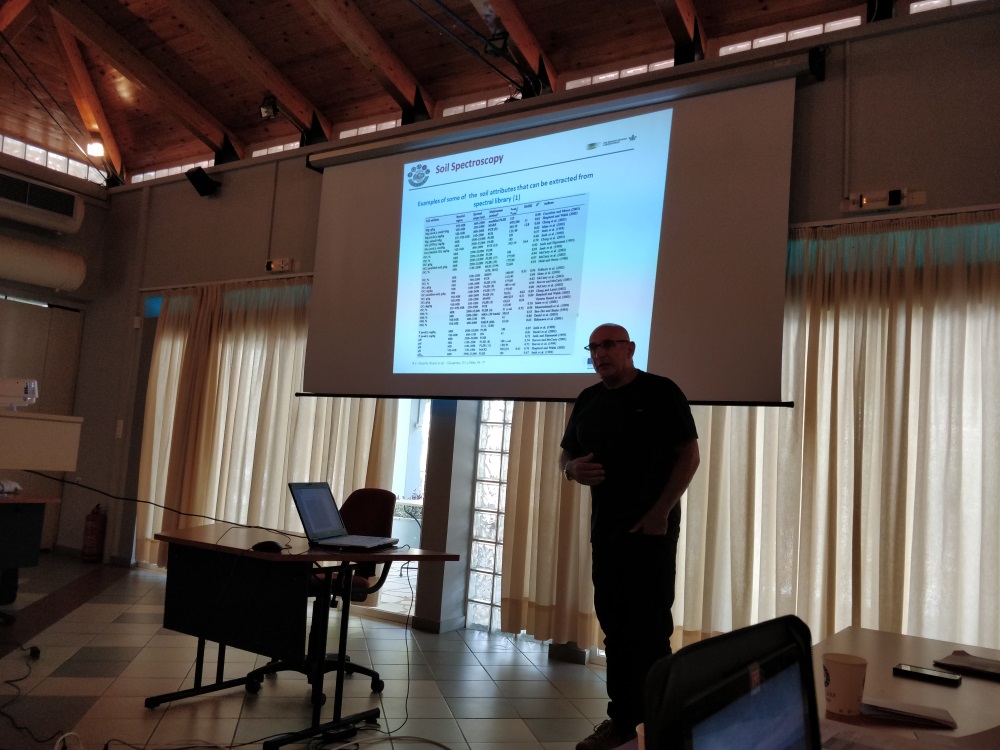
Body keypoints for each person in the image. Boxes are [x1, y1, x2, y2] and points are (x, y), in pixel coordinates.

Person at [560, 323, 700, 750]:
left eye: (608, 345)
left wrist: (661, 512)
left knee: (650, 632)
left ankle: (659, 726)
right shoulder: (588, 399)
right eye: (593, 348)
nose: (600, 354)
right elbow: (567, 455)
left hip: (651, 532)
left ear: (630, 348)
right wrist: (571, 470)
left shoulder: (661, 392)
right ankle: (622, 723)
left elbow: (689, 455)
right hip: (606, 533)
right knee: (615, 629)